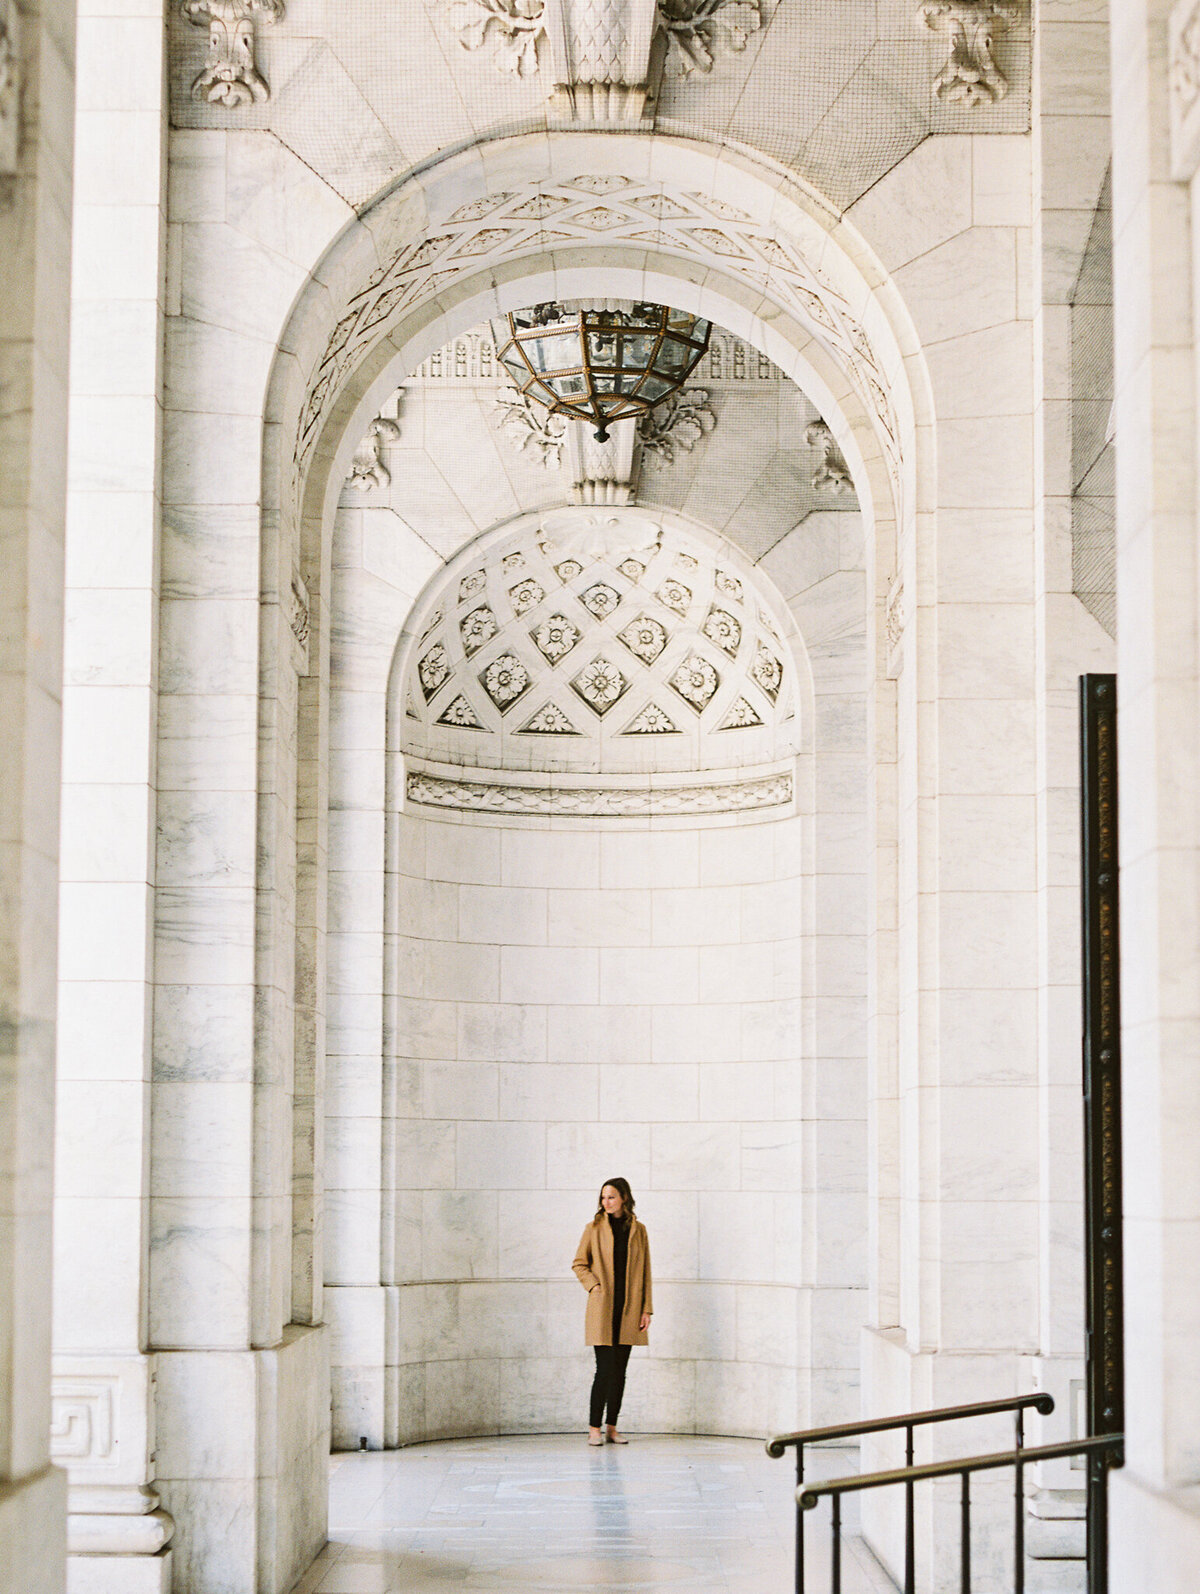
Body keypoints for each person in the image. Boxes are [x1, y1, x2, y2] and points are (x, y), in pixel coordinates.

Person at [571, 1177, 653, 1446]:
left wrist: (646, 1310)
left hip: (629, 1310)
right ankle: (594, 1428)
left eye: (612, 1197)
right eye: (603, 1197)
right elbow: (579, 1264)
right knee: (603, 1370)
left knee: (620, 1371)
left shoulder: (638, 1230)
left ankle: (612, 1427)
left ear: (624, 1198)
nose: (606, 1202)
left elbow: (646, 1273)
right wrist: (594, 1287)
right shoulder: (593, 1228)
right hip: (603, 1309)